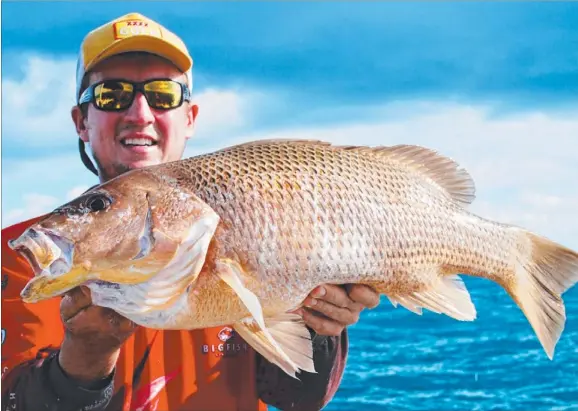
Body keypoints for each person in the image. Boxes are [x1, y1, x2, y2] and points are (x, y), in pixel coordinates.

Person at [1, 12, 380, 411]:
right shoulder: (23, 257)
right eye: (112, 95)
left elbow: (296, 399)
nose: (140, 114)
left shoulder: (249, 228)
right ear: (82, 122)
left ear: (189, 118)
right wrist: (85, 358)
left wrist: (320, 328)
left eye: (163, 94)